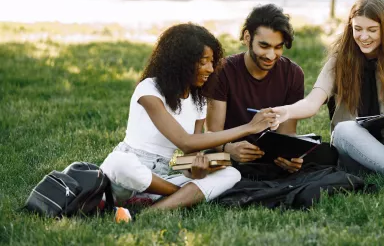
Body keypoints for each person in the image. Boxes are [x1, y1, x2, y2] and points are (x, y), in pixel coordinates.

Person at [100, 23, 278, 220]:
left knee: (231, 174)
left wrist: (197, 170)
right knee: (120, 163)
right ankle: (178, 196)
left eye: (212, 61)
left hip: (160, 178)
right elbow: (184, 141)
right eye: (203, 62)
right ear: (181, 62)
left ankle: (150, 211)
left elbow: (189, 156)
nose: (210, 68)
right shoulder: (149, 89)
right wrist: (249, 128)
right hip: (123, 178)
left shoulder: (198, 101)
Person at [271, 0, 384, 199]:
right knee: (344, 127)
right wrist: (285, 111)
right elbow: (312, 103)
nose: (363, 36)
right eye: (358, 29)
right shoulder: (340, 60)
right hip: (351, 149)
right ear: (350, 27)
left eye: (372, 30)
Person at [202, 4, 310, 176]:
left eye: (278, 47)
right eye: (264, 46)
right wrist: (228, 148)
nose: (271, 55)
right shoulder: (223, 71)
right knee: (211, 163)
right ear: (247, 37)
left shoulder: (293, 74)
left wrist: (289, 157)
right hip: (229, 156)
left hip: (269, 159)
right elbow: (213, 133)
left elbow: (287, 132)